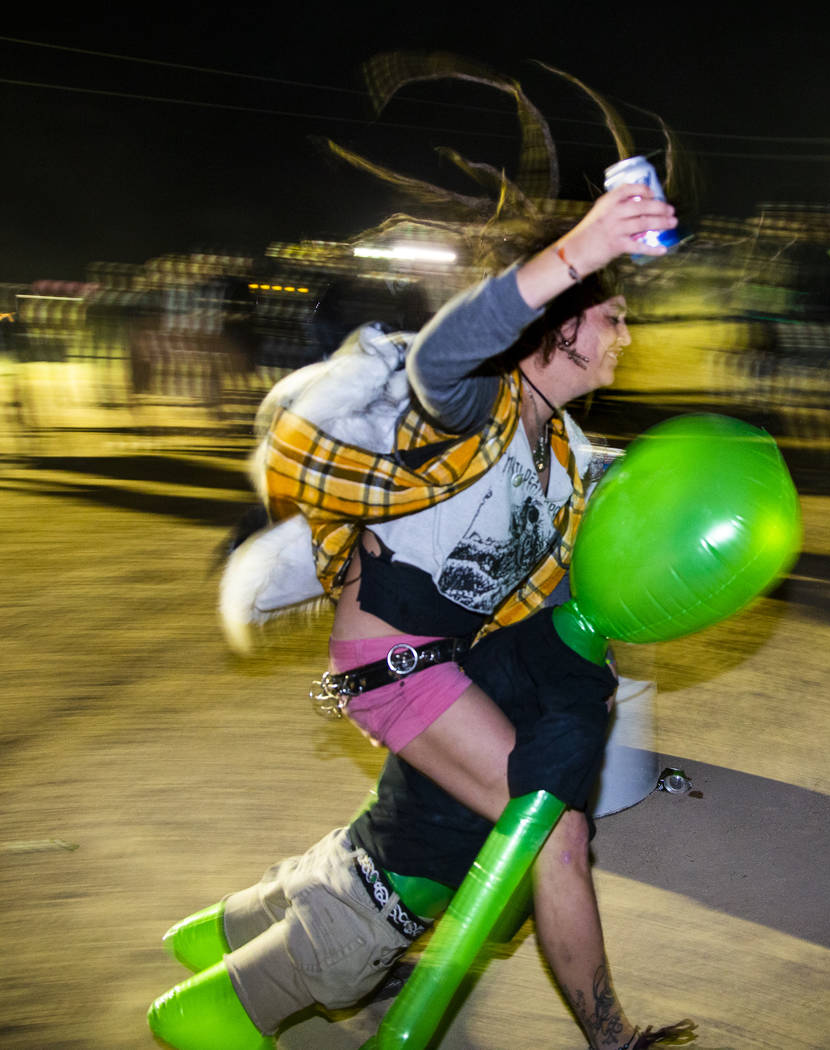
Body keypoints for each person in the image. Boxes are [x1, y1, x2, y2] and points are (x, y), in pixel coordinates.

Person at [149, 183, 681, 1050]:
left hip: (455, 665)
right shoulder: (476, 406)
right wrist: (579, 248)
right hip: (396, 668)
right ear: (562, 322)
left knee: (413, 839)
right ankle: (612, 1039)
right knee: (552, 832)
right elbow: (441, 354)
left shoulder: (562, 452)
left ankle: (239, 925)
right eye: (612, 315)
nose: (625, 336)